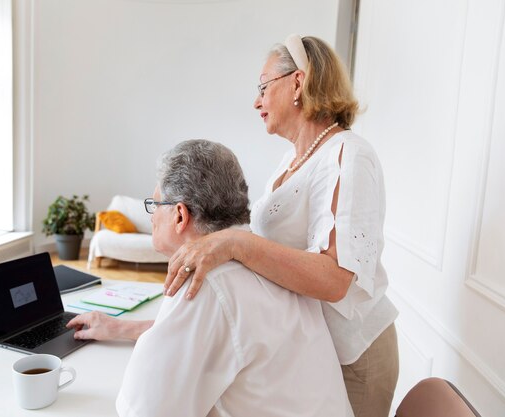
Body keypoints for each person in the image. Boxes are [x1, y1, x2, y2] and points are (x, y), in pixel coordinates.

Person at [162, 35, 399, 417]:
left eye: (262, 86)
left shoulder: (349, 154)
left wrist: (236, 244)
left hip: (353, 356)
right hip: (308, 347)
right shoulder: (291, 162)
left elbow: (337, 278)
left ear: (298, 82)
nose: (256, 101)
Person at [67, 139, 353, 417]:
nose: (152, 217)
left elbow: (146, 409)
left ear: (180, 215)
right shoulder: (276, 263)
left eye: (155, 204)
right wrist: (120, 329)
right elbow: (216, 337)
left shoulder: (205, 282)